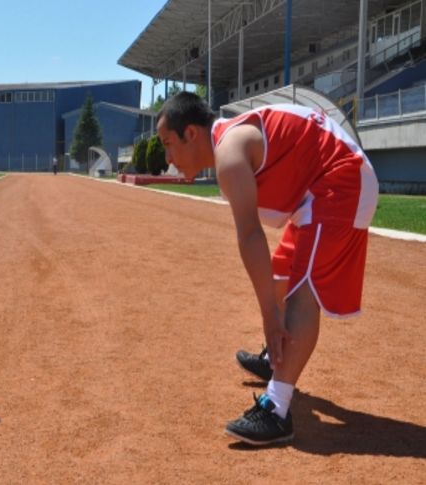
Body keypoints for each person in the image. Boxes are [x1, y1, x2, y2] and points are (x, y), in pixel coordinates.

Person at [156, 92, 378, 446]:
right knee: (278, 277)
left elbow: (250, 235)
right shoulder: (230, 141)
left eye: (169, 144)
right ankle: (274, 356)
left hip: (340, 183)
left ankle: (277, 408)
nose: (168, 158)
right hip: (316, 191)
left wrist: (269, 317)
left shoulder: (228, 155)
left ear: (192, 133)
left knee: (303, 293)